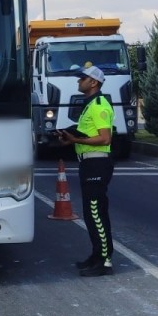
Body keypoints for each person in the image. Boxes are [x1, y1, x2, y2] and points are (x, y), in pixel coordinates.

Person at [56, 65, 116, 276]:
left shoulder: (99, 105)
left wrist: (77, 139)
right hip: (88, 162)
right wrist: (70, 140)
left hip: (97, 163)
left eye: (82, 78)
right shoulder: (89, 104)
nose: (78, 81)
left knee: (96, 212)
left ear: (94, 82)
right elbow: (87, 135)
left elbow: (105, 138)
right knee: (91, 213)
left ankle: (105, 261)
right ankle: (96, 255)